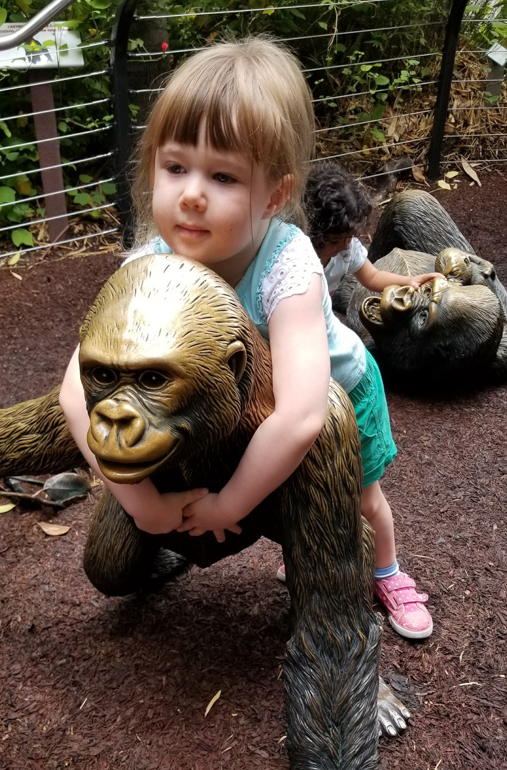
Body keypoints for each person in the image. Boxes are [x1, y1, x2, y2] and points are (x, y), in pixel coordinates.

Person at [59, 36, 433, 639]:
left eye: (224, 176)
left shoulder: (289, 268)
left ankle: (387, 571)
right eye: (175, 167)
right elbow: (75, 393)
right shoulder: (149, 263)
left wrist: (227, 507)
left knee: (359, 501)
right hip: (244, 402)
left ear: (276, 194)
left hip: (336, 393)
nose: (192, 193)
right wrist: (139, 502)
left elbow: (301, 416)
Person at [304, 160, 442, 296]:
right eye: (334, 241)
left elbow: (372, 276)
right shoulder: (297, 257)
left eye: (349, 237)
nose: (345, 245)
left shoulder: (348, 249)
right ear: (313, 233)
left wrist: (409, 281)